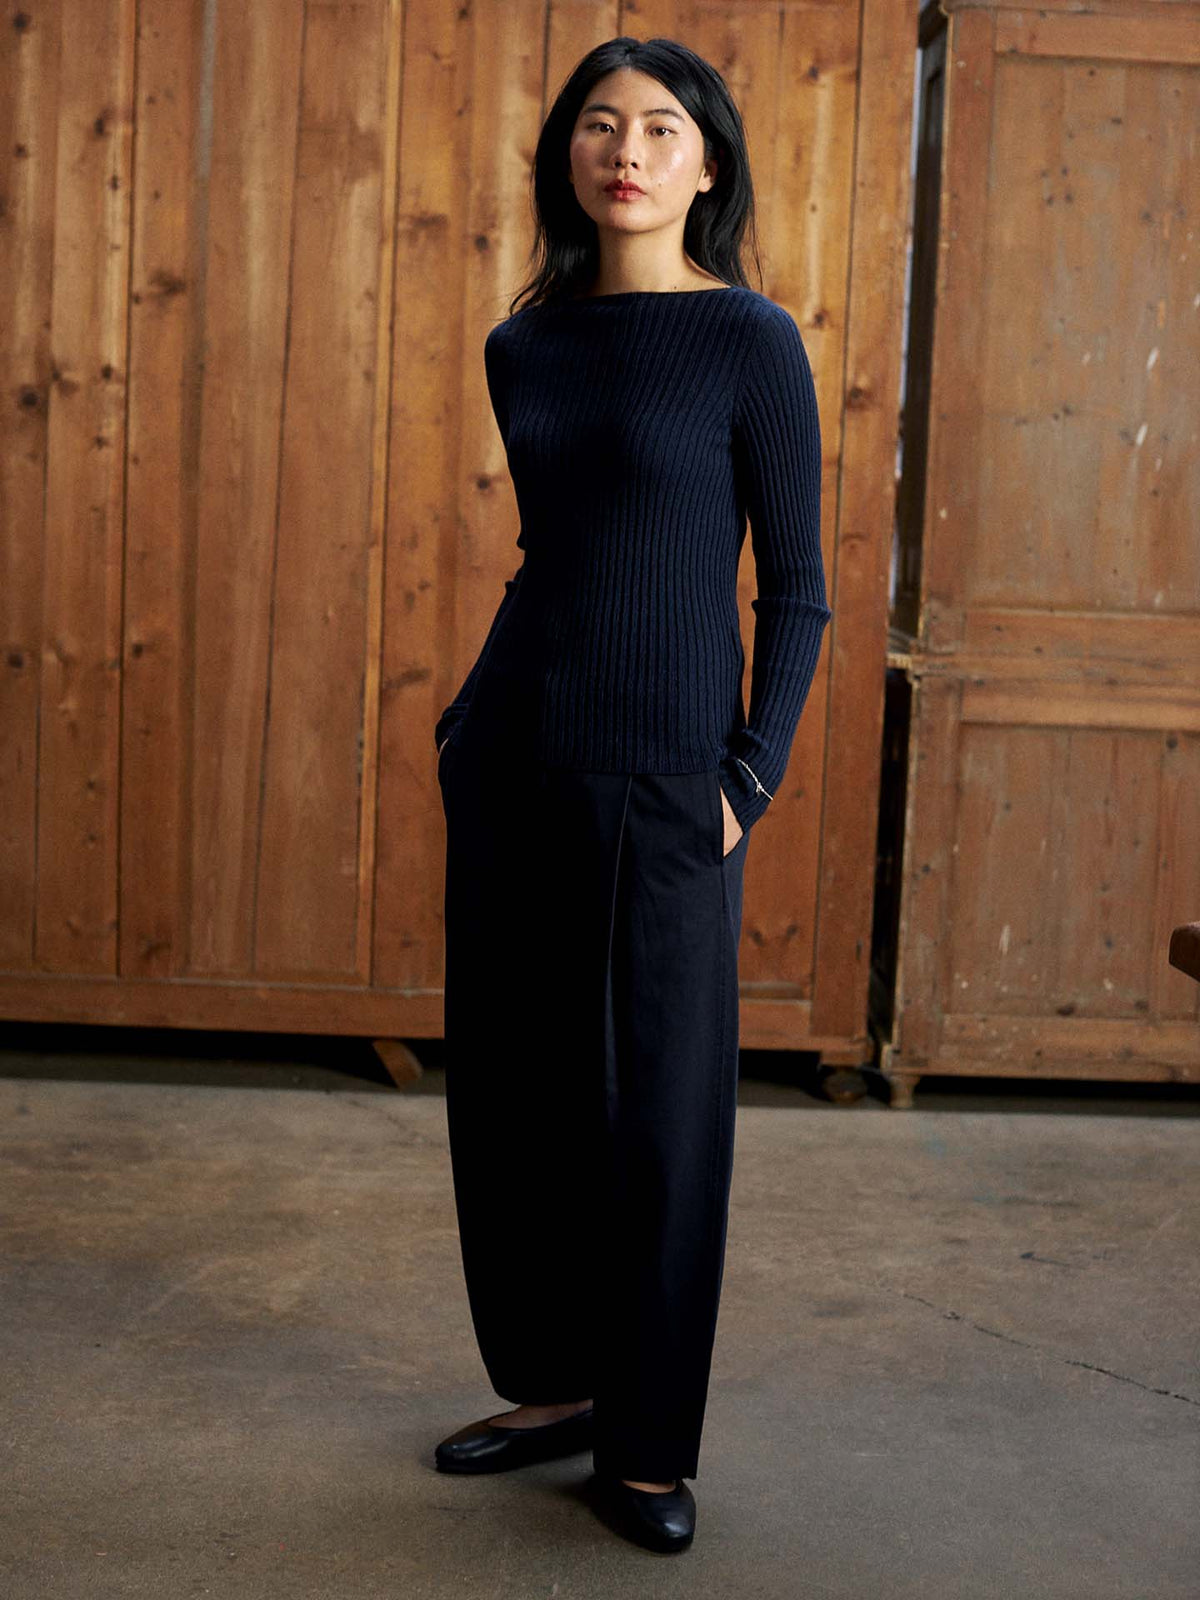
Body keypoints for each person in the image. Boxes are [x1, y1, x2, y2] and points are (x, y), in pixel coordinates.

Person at [431, 34, 830, 1555]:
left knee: (662, 1117)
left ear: (708, 165)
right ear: (570, 160)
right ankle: (551, 1385)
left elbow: (792, 588)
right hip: (519, 752)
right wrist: (472, 724)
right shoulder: (523, 346)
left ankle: (647, 1444)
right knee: (519, 1095)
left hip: (674, 777)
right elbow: (565, 555)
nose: (629, 151)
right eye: (602, 126)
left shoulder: (751, 342)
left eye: (663, 129)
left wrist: (747, 777)